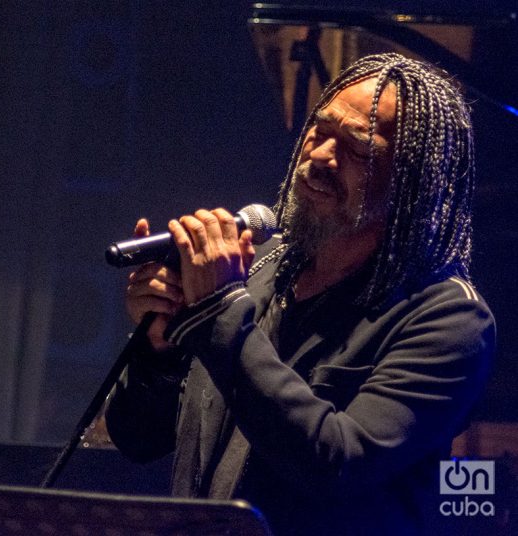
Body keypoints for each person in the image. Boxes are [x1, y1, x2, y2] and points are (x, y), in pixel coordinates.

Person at [105, 53, 495, 535]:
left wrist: (219, 311)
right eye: (320, 129)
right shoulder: (259, 268)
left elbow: (338, 463)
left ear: (412, 180)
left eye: (355, 147)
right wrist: (159, 346)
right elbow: (137, 438)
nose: (320, 156)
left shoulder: (448, 319)